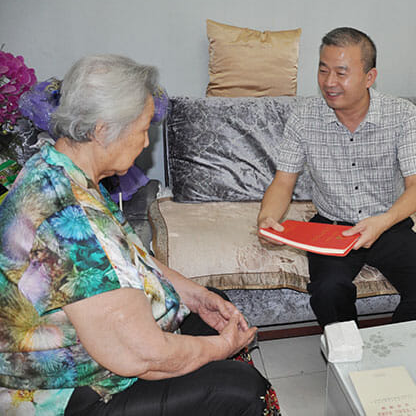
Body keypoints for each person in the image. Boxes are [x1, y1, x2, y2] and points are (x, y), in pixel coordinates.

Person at [0, 55, 280, 416]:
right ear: (102, 129)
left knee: (211, 308)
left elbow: (131, 256)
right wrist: (221, 348)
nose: (147, 142)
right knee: (242, 390)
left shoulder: (60, 168)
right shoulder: (70, 221)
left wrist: (198, 297)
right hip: (68, 393)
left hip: (99, 350)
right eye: (143, 129)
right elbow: (143, 356)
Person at [257, 27, 416, 327]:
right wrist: (267, 219)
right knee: (328, 291)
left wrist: (383, 222)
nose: (329, 82)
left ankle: (388, 346)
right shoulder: (304, 117)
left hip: (388, 224)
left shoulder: (403, 115)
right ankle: (349, 350)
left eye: (341, 73)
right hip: (331, 227)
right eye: (323, 70)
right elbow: (284, 181)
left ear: (369, 77)